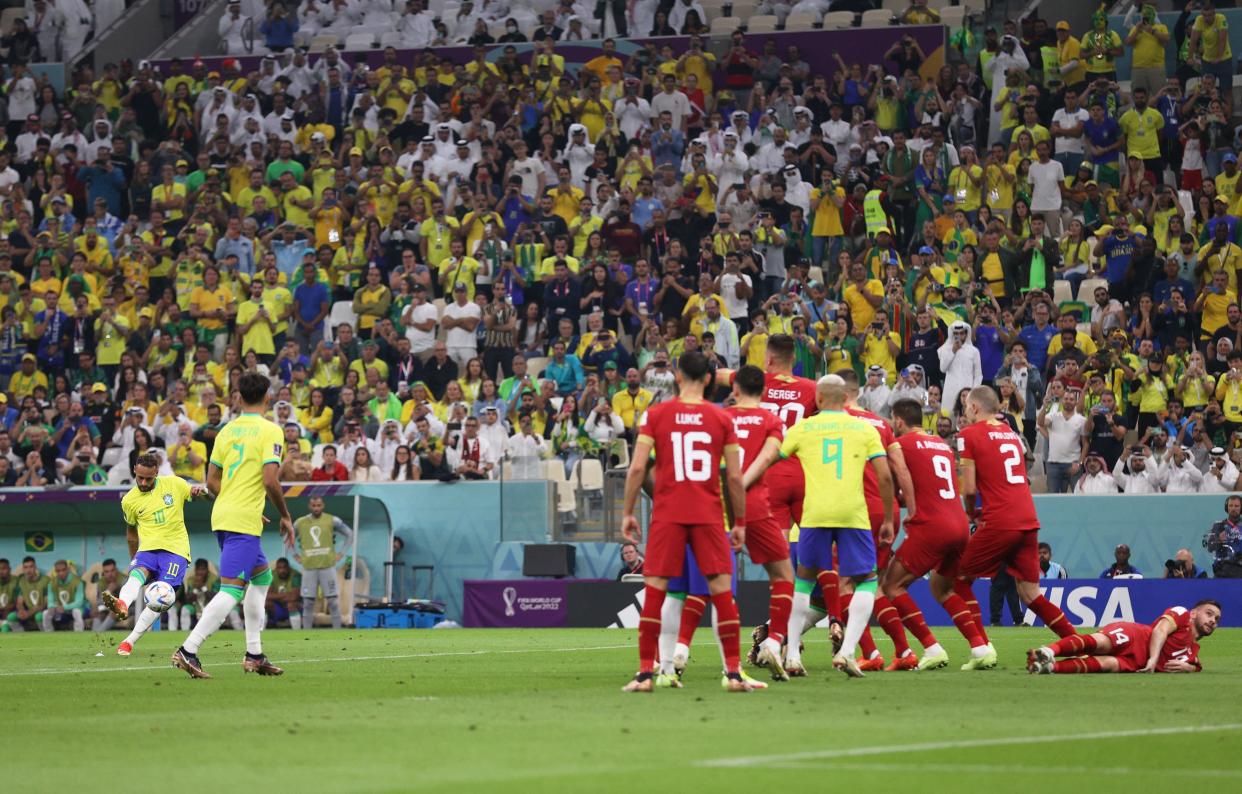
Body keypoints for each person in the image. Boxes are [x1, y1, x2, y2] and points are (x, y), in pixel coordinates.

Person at [743, 374, 896, 678]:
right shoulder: (865, 428)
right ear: (846, 398)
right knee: (865, 580)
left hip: (814, 515)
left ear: (819, 399)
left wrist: (743, 481)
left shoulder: (804, 428)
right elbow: (886, 476)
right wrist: (890, 518)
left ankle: (792, 655)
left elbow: (771, 457)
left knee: (802, 582)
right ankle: (849, 651)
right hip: (853, 515)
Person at [619, 351, 753, 692]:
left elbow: (636, 468)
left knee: (656, 593)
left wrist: (628, 512)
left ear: (677, 377)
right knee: (722, 594)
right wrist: (739, 522)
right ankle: (734, 674)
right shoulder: (722, 418)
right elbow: (735, 478)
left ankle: (646, 674)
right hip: (709, 515)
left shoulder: (656, 415)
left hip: (668, 514)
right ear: (708, 379)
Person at [172, 371, 294, 679]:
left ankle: (254, 654)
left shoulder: (225, 431)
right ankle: (188, 650)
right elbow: (270, 480)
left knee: (262, 578)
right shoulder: (271, 431)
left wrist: (241, 503)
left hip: (225, 513)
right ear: (268, 398)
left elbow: (212, 481)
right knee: (232, 590)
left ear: (238, 397)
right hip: (241, 519)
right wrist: (285, 515)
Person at [957, 385, 1075, 661]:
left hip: (1000, 519)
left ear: (975, 407)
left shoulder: (969, 434)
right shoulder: (1011, 434)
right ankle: (1077, 642)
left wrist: (970, 512)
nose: (964, 414)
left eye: (965, 408)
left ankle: (982, 648)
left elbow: (970, 488)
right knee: (1029, 592)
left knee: (958, 581)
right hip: (1027, 518)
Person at [881, 399, 993, 670]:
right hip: (958, 524)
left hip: (930, 525)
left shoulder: (901, 445)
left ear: (898, 420)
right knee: (942, 587)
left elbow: (896, 482)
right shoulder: (942, 446)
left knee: (891, 585)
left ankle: (931, 647)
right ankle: (980, 647)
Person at [721, 365, 795, 679]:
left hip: (718, 508)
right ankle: (774, 640)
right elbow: (768, 458)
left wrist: (732, 485)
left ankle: (672, 654)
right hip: (757, 508)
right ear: (763, 391)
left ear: (735, 389)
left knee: (706, 586)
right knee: (783, 576)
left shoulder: (720, 418)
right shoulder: (772, 420)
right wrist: (743, 484)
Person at [102, 452, 207, 655]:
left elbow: (197, 493)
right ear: (134, 470)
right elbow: (131, 532)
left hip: (175, 551)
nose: (143, 482)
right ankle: (122, 604)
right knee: (135, 576)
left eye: (148, 478)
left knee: (161, 598)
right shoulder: (129, 500)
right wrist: (134, 557)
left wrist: (198, 492)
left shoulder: (174, 484)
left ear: (156, 472)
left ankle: (130, 640)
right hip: (148, 549)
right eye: (139, 477)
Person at [1028, 600, 1221, 674]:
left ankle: (1048, 667)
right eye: (1209, 613)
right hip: (1137, 636)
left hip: (1137, 663)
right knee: (1099, 643)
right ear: (1195, 613)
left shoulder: (1193, 655)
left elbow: (1196, 667)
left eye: (1217, 619)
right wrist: (1154, 659)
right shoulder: (1182, 614)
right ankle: (1048, 651)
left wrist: (1188, 668)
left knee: (1107, 664)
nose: (1213, 620)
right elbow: (1160, 630)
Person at [293, 496, 353, 629]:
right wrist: (294, 555)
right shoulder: (300, 522)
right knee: (308, 602)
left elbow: (350, 534)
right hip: (309, 567)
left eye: (319, 505)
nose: (316, 508)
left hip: (327, 566)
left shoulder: (332, 520)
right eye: (314, 505)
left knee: (333, 601)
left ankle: (337, 631)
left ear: (323, 505)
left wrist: (341, 553)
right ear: (310, 506)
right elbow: (288, 536)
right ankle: (306, 634)